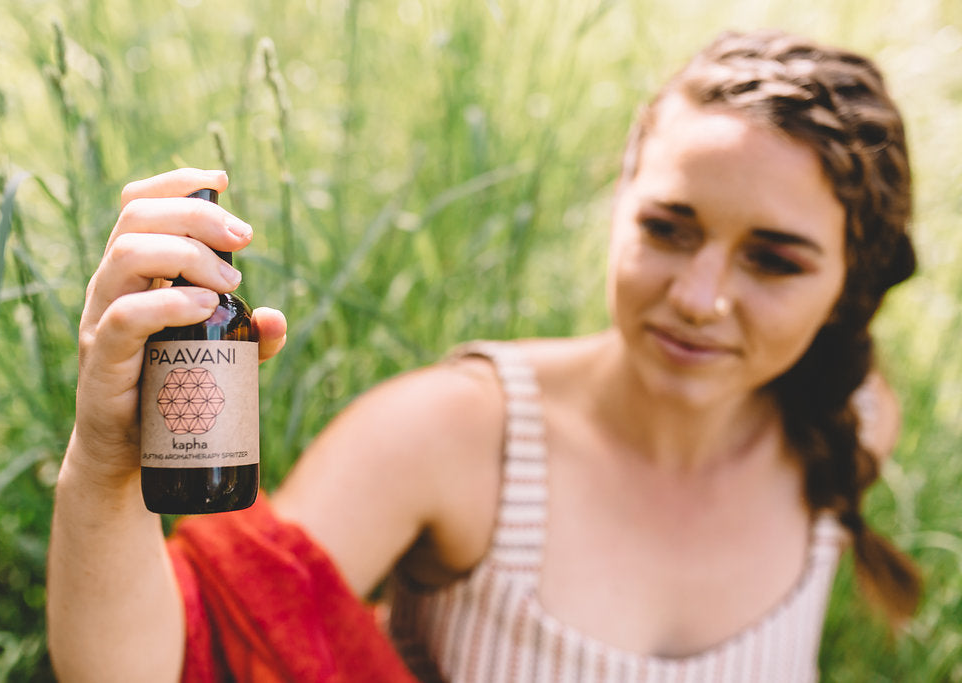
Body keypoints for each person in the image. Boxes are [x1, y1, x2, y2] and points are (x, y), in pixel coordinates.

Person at [46, 28, 922, 682]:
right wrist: (106, 459)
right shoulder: (453, 435)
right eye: (668, 226)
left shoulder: (852, 421)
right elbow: (154, 668)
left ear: (853, 281)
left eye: (773, 259)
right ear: (621, 199)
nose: (698, 295)